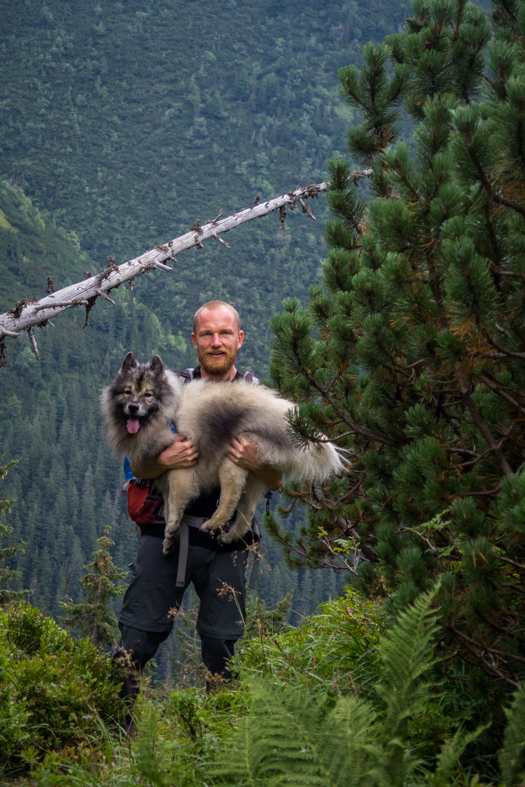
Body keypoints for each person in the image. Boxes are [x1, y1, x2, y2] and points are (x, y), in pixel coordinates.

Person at [115, 301, 282, 716]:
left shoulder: (256, 396)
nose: (216, 342)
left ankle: (217, 751)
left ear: (239, 339)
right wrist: (164, 461)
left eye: (225, 333)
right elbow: (135, 463)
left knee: (221, 652)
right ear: (194, 341)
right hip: (165, 533)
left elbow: (278, 479)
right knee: (135, 639)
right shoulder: (170, 389)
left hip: (230, 541)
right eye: (206, 334)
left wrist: (255, 462)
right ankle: (111, 738)